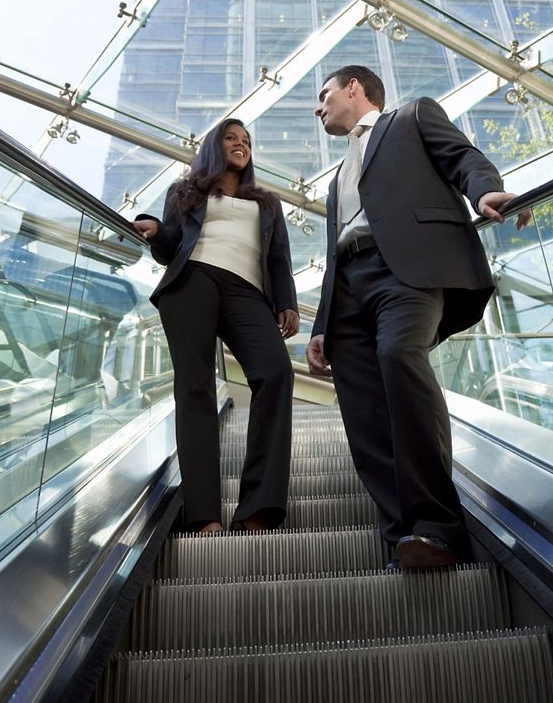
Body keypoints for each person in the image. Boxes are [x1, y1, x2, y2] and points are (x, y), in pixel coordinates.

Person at [306, 65, 529, 568]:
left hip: (407, 272)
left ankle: (437, 529)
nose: (318, 108)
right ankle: (402, 537)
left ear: (354, 88)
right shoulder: (336, 179)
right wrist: (322, 324)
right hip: (349, 291)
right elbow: (333, 253)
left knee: (399, 355)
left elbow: (461, 156)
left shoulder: (411, 117)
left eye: (324, 95)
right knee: (363, 413)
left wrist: (484, 191)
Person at [134, 118, 298, 534]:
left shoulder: (267, 203)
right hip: (193, 281)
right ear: (214, 146)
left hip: (247, 291)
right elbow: (171, 245)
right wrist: (156, 231)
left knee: (276, 371)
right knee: (196, 387)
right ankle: (204, 514)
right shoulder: (184, 191)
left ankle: (259, 507)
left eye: (246, 141)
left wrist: (288, 303)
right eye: (231, 138)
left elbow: (278, 259)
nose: (241, 144)